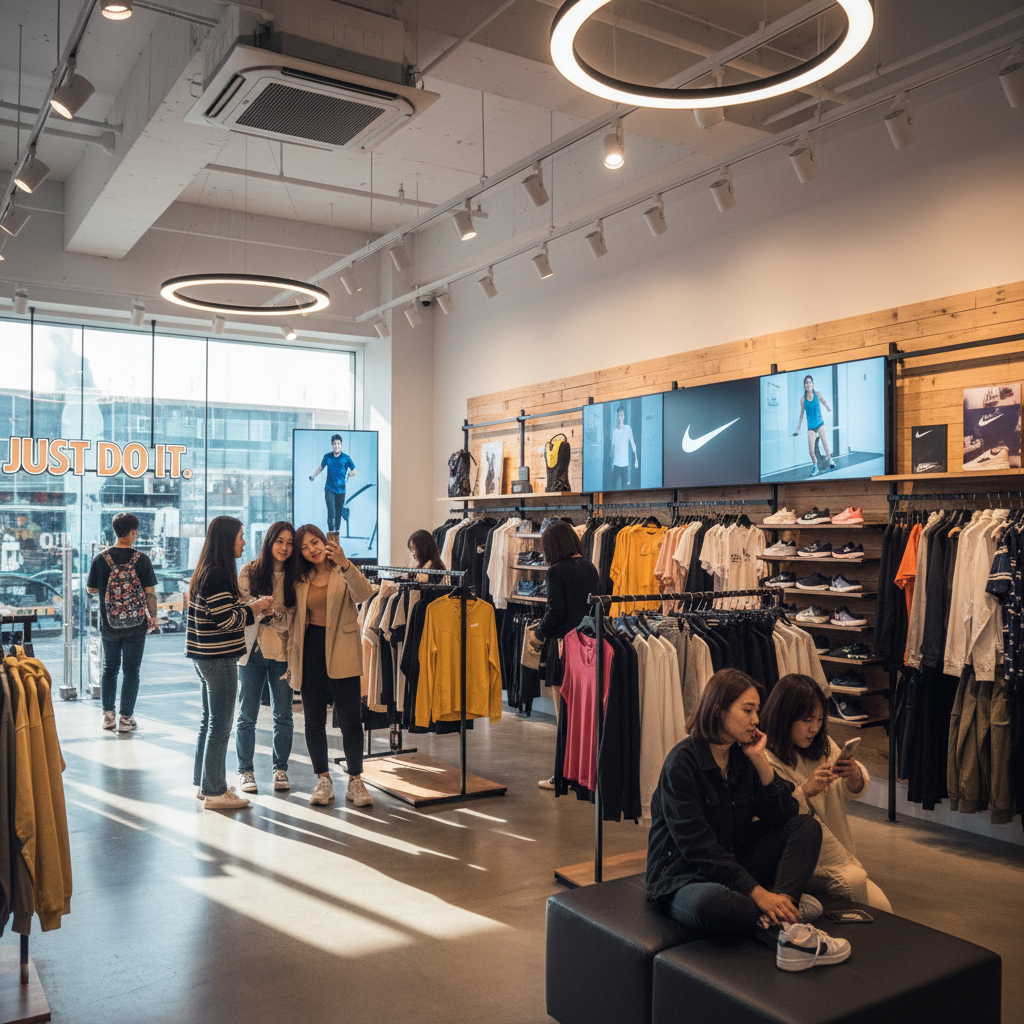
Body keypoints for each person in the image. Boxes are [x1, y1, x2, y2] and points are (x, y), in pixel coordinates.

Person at [647, 669, 853, 970]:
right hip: (684, 876)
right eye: (748, 710)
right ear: (719, 709)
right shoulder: (681, 764)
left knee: (807, 827)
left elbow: (785, 813)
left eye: (757, 710)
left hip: (734, 861)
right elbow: (697, 847)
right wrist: (757, 893)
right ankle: (784, 918)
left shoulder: (742, 758)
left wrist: (759, 759)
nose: (756, 719)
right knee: (725, 907)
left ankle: (784, 915)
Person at [760, 673, 891, 910]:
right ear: (784, 717)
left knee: (882, 906)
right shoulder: (766, 759)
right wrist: (805, 791)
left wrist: (854, 776)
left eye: (820, 719)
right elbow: (774, 813)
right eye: (807, 720)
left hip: (838, 849)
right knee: (854, 883)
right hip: (800, 858)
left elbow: (849, 790)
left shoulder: (823, 744)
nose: (814, 728)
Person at [186, 516, 275, 811]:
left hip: (205, 656)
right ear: (227, 540)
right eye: (240, 536)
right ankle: (215, 790)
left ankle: (205, 784)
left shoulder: (206, 571)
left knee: (209, 722)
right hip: (218, 658)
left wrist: (251, 608)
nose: (244, 542)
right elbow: (227, 620)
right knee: (221, 725)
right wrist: (256, 608)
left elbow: (220, 613)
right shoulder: (219, 574)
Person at [288, 524, 375, 808]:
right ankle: (323, 779)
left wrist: (344, 562)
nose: (311, 550)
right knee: (314, 720)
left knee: (351, 721)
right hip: (310, 649)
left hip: (343, 648)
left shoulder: (343, 570)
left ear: (324, 541)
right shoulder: (300, 578)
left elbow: (363, 594)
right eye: (304, 547)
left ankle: (355, 780)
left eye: (314, 542)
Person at [532, 521, 600, 790]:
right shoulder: (589, 567)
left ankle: (561, 776)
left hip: (564, 648)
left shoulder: (556, 572)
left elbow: (555, 611)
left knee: (564, 717)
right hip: (588, 646)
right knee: (583, 715)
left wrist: (539, 632)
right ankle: (582, 773)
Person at [235, 521, 298, 795]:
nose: (284, 547)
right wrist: (264, 611)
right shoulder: (250, 570)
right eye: (279, 541)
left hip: (282, 654)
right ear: (269, 541)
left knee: (283, 714)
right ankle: (245, 771)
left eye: (289, 543)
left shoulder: (296, 577)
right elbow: (241, 607)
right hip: (251, 652)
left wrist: (271, 613)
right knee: (246, 715)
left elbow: (295, 618)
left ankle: (280, 768)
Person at [86, 512, 158, 733]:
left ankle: (108, 716)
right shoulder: (141, 559)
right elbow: (150, 593)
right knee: (131, 671)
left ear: (115, 531)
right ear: (134, 532)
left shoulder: (101, 558)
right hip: (136, 624)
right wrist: (153, 617)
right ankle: (126, 719)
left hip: (109, 624)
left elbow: (91, 589)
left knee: (109, 669)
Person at [309, 434, 356, 535]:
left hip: (341, 490)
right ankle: (331, 535)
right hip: (329, 488)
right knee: (331, 512)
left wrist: (350, 474)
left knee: (338, 513)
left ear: (341, 445)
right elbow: (321, 467)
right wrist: (313, 476)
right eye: (334, 444)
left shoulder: (346, 458)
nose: (336, 446)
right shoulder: (327, 457)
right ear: (332, 445)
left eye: (338, 443)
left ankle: (336, 534)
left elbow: (354, 471)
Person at [792, 374, 837, 477]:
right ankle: (815, 466)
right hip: (811, 427)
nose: (808, 384)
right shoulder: (803, 399)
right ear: (804, 385)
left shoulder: (817, 394)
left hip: (820, 423)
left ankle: (830, 459)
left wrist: (827, 407)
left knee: (825, 443)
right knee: (811, 450)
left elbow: (823, 401)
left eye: (810, 382)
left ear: (812, 384)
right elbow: (801, 414)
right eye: (806, 383)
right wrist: (798, 430)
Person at [610, 405, 638, 490]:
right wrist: (611, 454)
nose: (620, 417)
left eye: (621, 415)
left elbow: (633, 444)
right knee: (613, 487)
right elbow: (612, 449)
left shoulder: (628, 429)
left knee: (624, 488)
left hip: (625, 464)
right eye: (618, 415)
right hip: (616, 464)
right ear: (617, 417)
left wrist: (636, 459)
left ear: (624, 416)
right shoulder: (615, 432)